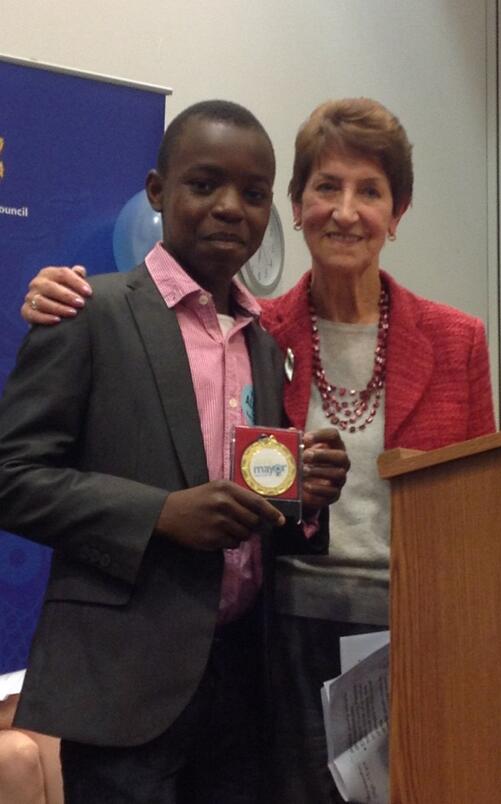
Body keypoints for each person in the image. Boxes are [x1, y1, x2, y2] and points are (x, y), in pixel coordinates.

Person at [21, 97, 496, 803]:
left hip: (419, 630)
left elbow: (485, 501)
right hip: (278, 642)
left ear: (396, 213)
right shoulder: (254, 329)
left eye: (371, 192)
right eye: (326, 187)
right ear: (298, 208)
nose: (345, 210)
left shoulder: (452, 339)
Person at [0, 99, 348, 804]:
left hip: (243, 684)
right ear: (157, 192)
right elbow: (11, 476)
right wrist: (158, 513)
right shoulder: (88, 311)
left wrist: (307, 495)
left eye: (253, 195)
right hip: (123, 687)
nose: (229, 208)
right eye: (203, 184)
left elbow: (264, 497)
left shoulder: (263, 341)